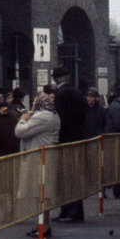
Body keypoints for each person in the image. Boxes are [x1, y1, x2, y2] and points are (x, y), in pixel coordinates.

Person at [15, 92, 60, 238]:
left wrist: (23, 119)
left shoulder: (43, 117)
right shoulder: (53, 115)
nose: (33, 104)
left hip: (39, 159)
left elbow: (20, 132)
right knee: (43, 192)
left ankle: (43, 226)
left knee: (41, 192)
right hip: (47, 157)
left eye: (35, 102)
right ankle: (40, 224)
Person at [51, 65, 87, 223]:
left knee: (66, 177)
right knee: (74, 176)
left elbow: (60, 118)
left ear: (55, 79)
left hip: (66, 139)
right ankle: (73, 210)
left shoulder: (61, 93)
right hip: (77, 138)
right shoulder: (77, 91)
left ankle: (69, 211)